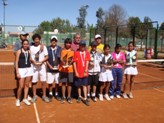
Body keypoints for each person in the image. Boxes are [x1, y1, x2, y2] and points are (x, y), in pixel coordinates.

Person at [30, 34, 49, 103]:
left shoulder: (43, 47)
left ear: (39, 40)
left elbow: (46, 57)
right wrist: (33, 62)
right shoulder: (31, 47)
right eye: (35, 39)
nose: (36, 40)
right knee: (34, 82)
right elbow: (30, 57)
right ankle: (34, 96)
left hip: (42, 66)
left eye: (38, 39)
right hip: (34, 67)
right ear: (33, 40)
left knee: (43, 81)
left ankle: (44, 95)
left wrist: (42, 61)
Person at [15, 39, 33, 106]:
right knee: (21, 86)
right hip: (21, 70)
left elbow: (30, 60)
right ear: (22, 44)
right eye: (24, 44)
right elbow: (16, 62)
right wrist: (17, 72)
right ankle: (18, 99)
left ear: (28, 45)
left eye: (27, 44)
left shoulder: (29, 51)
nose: (26, 45)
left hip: (28, 69)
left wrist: (37, 62)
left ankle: (25, 98)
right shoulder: (19, 51)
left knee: (27, 85)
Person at [73, 40, 90, 106]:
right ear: (79, 46)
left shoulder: (87, 53)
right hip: (78, 72)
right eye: (81, 45)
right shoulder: (76, 53)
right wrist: (76, 71)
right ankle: (79, 96)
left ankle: (85, 98)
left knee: (84, 85)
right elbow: (74, 62)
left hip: (84, 72)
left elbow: (87, 61)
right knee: (78, 85)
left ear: (85, 46)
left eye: (84, 46)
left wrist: (86, 69)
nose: (82, 47)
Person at [59, 38, 74, 104]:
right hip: (63, 69)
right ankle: (63, 96)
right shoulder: (62, 50)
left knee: (69, 83)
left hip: (70, 69)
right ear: (65, 43)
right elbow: (61, 58)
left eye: (69, 43)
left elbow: (73, 59)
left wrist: (71, 62)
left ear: (71, 44)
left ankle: (69, 96)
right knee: (63, 83)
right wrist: (63, 62)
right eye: (67, 43)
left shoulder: (73, 51)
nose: (68, 44)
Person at [46, 36, 62, 102]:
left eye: (55, 40)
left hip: (57, 69)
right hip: (50, 69)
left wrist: (59, 65)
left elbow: (61, 58)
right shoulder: (47, 48)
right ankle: (50, 93)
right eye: (52, 40)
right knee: (50, 83)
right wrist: (49, 65)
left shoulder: (60, 48)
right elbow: (45, 58)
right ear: (50, 41)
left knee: (57, 82)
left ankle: (56, 93)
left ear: (56, 41)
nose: (54, 41)